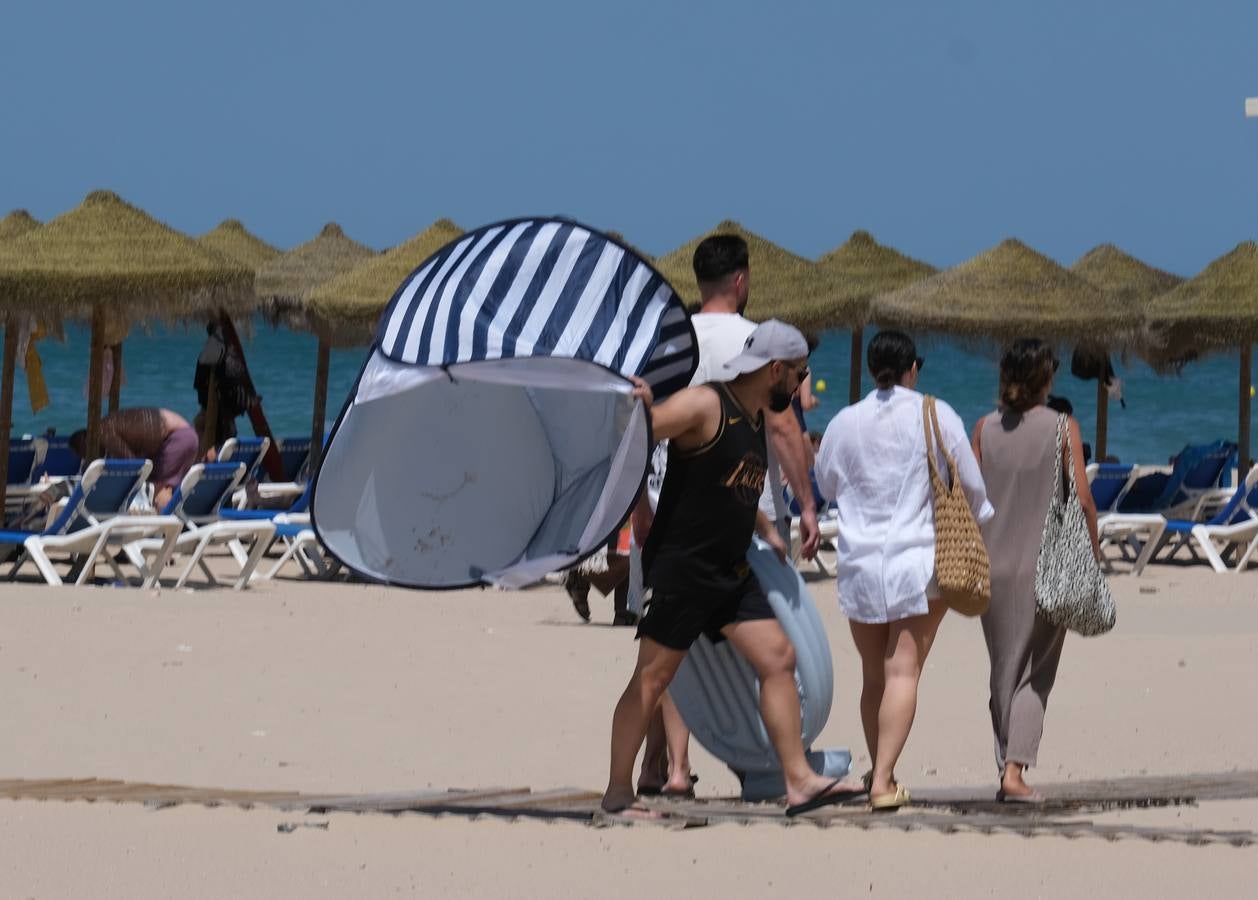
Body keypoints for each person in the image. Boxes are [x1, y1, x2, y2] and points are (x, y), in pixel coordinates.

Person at [602, 320, 859, 818]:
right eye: (800, 374)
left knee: (778, 657)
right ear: (776, 369)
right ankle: (617, 791)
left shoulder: (756, 413)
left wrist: (762, 523)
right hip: (682, 570)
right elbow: (644, 429)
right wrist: (640, 404)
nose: (803, 383)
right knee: (651, 681)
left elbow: (727, 481)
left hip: (728, 570)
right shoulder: (707, 404)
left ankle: (799, 780)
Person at [634, 234, 820, 798]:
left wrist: (637, 500)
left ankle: (668, 768)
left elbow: (643, 424)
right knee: (707, 657)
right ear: (740, 281)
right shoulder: (755, 342)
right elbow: (784, 428)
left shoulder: (669, 342)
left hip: (670, 505)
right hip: (735, 515)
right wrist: (806, 503)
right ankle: (763, 764)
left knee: (674, 661)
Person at [814, 331, 993, 811]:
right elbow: (972, 486)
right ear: (913, 367)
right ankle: (883, 781)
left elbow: (826, 483)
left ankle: (881, 771)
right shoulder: (935, 413)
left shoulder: (845, 421)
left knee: (875, 676)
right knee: (903, 672)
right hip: (918, 560)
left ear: (873, 369)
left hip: (859, 562)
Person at [972, 339, 1100, 802]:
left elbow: (972, 498)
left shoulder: (984, 428)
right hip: (1045, 565)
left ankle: (1006, 760)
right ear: (1046, 378)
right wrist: (1094, 554)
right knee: (1033, 673)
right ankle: (1013, 771)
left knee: (1004, 668)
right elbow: (1082, 498)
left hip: (993, 565)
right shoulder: (1064, 427)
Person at [69, 408, 200, 511]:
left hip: (177, 438)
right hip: (185, 434)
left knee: (161, 490)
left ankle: (167, 534)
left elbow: (133, 465)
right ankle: (172, 526)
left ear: (85, 442)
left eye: (83, 453)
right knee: (164, 486)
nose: (87, 458)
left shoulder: (104, 431)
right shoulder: (109, 425)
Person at [194, 319, 258, 450]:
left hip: (211, 415)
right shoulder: (229, 357)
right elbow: (239, 396)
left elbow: (200, 386)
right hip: (222, 420)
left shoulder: (209, 354)